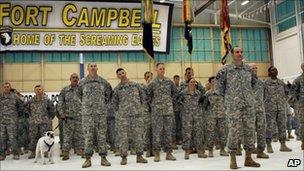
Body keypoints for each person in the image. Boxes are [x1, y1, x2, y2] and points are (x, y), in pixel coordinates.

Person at [215, 47, 260, 169]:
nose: (239, 54)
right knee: (234, 131)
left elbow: (255, 83)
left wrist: (250, 96)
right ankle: (233, 159)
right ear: (232, 54)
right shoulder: (225, 70)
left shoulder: (248, 69)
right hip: (233, 106)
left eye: (241, 52)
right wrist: (228, 100)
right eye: (237, 52)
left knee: (250, 130)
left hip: (248, 105)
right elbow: (218, 88)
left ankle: (248, 158)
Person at [77, 63, 112, 168]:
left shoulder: (103, 82)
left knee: (102, 136)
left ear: (97, 68)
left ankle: (103, 158)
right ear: (87, 69)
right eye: (91, 66)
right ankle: (88, 159)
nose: (93, 67)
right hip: (87, 114)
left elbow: (109, 94)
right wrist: (87, 106)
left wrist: (102, 105)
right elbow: (79, 95)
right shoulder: (82, 83)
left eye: (94, 66)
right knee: (88, 136)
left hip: (101, 114)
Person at [111, 68, 148, 165]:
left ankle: (139, 156)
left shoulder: (136, 85)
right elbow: (114, 104)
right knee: (123, 138)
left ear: (125, 73)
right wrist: (118, 115)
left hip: (137, 115)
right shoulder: (117, 89)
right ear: (117, 76)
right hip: (123, 117)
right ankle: (124, 157)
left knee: (138, 136)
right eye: (119, 74)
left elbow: (143, 97)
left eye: (123, 73)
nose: (122, 75)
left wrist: (142, 109)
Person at [147, 63, 178, 162]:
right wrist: (153, 104)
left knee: (168, 132)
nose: (162, 70)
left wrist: (170, 102)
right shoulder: (152, 83)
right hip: (157, 112)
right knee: (157, 133)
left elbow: (175, 93)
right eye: (160, 69)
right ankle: (157, 153)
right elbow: (148, 96)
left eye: (163, 69)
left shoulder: (169, 82)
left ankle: (169, 153)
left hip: (168, 111)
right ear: (156, 70)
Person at [264, 66, 292, 153]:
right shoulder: (265, 83)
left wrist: (284, 101)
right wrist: (265, 103)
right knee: (269, 127)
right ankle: (268, 144)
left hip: (280, 108)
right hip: (269, 109)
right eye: (273, 70)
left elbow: (288, 93)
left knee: (282, 126)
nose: (275, 71)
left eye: (276, 70)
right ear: (269, 72)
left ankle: (283, 145)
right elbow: (261, 95)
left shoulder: (281, 83)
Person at [58, 73, 84, 160]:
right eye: (73, 77)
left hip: (80, 117)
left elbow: (86, 102)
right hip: (68, 117)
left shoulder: (82, 89)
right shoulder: (65, 90)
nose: (75, 79)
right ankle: (65, 151)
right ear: (70, 79)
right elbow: (60, 103)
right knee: (67, 135)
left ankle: (79, 149)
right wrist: (62, 113)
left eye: (77, 78)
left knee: (80, 134)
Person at [25, 85, 55, 159]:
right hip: (33, 123)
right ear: (34, 91)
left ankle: (46, 152)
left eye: (40, 89)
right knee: (33, 137)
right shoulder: (30, 101)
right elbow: (26, 110)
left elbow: (52, 111)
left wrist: (48, 118)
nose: (38, 91)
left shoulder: (47, 100)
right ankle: (33, 152)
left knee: (46, 138)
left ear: (43, 90)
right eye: (37, 89)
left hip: (45, 123)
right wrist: (30, 118)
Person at [179, 78, 206, 159]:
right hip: (187, 117)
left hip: (197, 116)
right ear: (188, 83)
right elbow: (178, 102)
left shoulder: (198, 93)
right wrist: (183, 111)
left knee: (198, 133)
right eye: (191, 82)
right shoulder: (183, 93)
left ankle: (199, 151)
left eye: (194, 82)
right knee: (187, 134)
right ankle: (187, 151)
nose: (193, 83)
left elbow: (202, 102)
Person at [203, 76, 229, 157]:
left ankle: (222, 149)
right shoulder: (207, 94)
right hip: (211, 116)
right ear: (210, 83)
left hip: (222, 115)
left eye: (216, 81)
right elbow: (204, 105)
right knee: (210, 133)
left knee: (223, 132)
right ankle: (210, 149)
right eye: (213, 81)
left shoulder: (222, 93)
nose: (215, 83)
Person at [249, 63, 269, 159]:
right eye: (253, 68)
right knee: (249, 131)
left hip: (260, 110)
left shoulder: (261, 82)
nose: (255, 69)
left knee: (261, 130)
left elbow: (265, 95)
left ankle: (260, 150)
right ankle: (250, 149)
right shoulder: (245, 82)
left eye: (256, 68)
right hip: (249, 110)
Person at [0, 82, 23, 160]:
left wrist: (16, 117)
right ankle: (2, 154)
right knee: (2, 138)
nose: (6, 88)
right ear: (2, 88)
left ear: (10, 88)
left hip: (12, 121)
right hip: (2, 121)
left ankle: (15, 153)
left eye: (8, 87)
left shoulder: (15, 96)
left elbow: (20, 107)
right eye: (5, 87)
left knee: (13, 138)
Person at [291, 63, 304, 150]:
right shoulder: (298, 80)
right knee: (302, 124)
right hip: (302, 106)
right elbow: (292, 94)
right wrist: (296, 106)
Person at [172, 75, 182, 148]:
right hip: (174, 109)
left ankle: (179, 139)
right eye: (176, 79)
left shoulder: (181, 88)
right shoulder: (172, 89)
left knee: (180, 125)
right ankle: (174, 141)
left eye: (178, 79)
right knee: (174, 126)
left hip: (181, 109)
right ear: (173, 80)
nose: (177, 80)